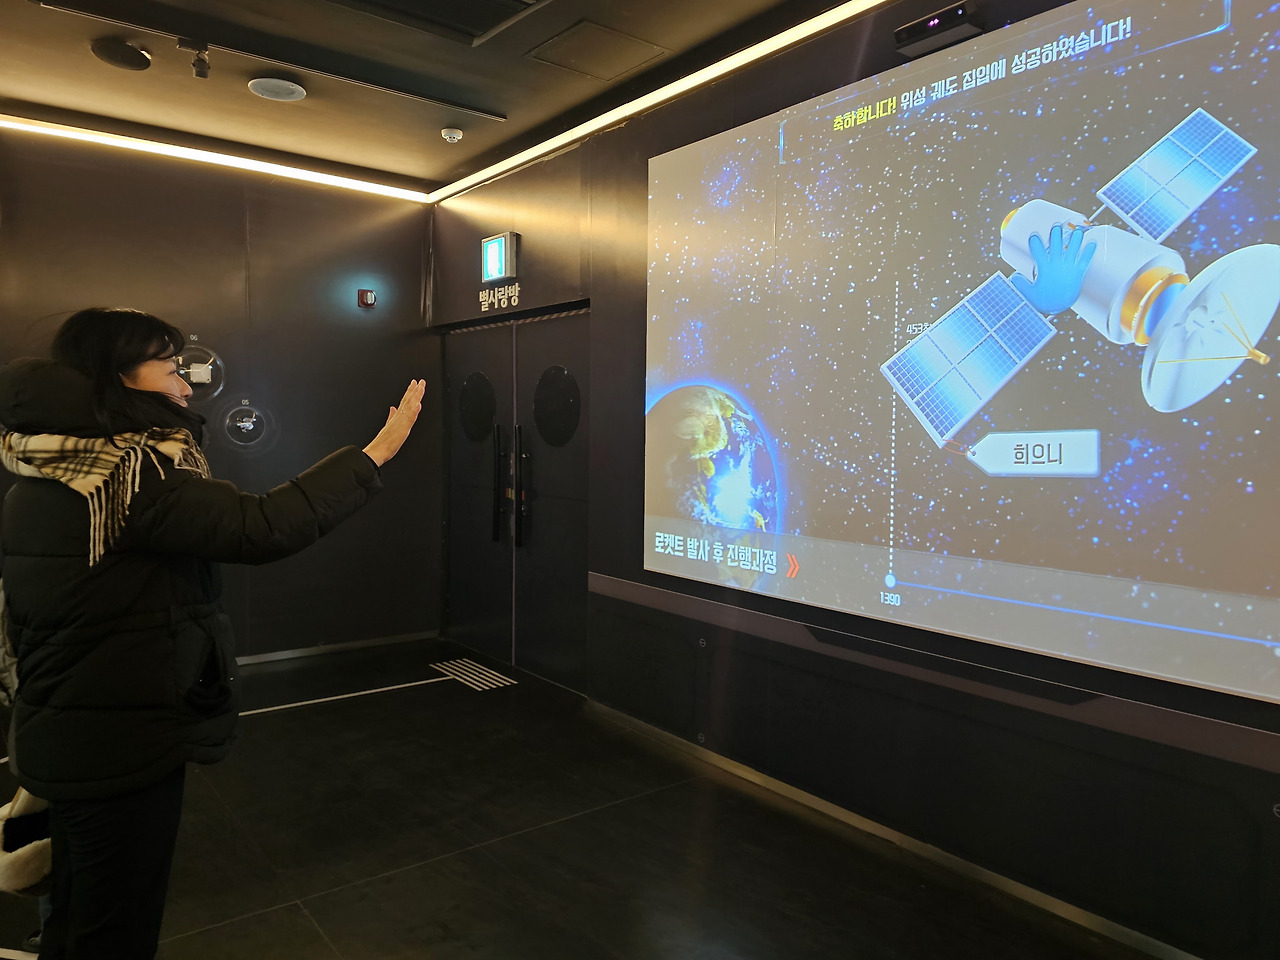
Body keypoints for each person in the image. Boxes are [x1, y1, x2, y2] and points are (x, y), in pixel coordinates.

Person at [0, 307, 425, 959]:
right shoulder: (129, 473)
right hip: (120, 735)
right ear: (119, 376)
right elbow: (262, 526)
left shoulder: (53, 468)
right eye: (170, 368)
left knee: (78, 909)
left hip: (68, 723)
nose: (185, 385)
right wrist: (375, 454)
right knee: (114, 928)